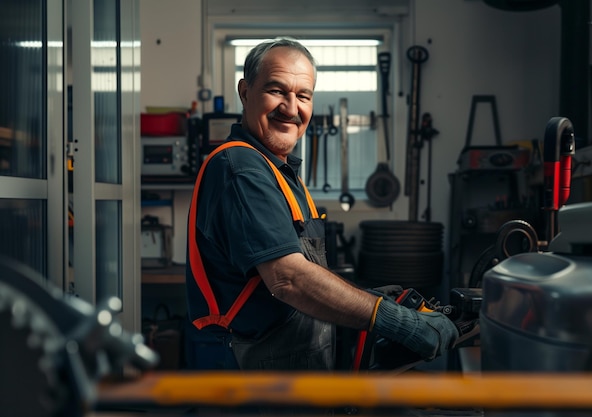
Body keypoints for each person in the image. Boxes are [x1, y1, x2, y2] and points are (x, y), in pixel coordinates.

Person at [185, 37, 459, 371]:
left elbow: (305, 274)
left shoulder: (281, 172)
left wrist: (375, 300)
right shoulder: (241, 169)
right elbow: (289, 279)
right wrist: (394, 320)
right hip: (261, 373)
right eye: (276, 90)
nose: (290, 107)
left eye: (303, 96)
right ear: (245, 92)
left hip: (296, 365)